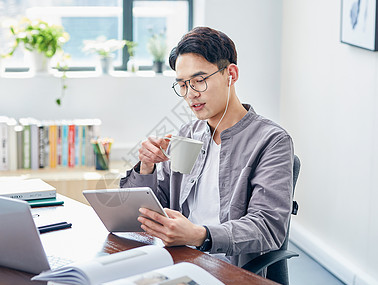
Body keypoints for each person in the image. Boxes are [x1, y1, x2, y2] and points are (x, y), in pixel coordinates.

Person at [120, 26, 294, 270]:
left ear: (230, 74)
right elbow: (148, 210)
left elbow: (267, 227)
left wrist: (198, 235)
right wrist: (146, 167)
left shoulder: (271, 141)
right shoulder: (186, 135)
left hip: (229, 270)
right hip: (177, 262)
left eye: (199, 81)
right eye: (182, 84)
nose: (190, 94)